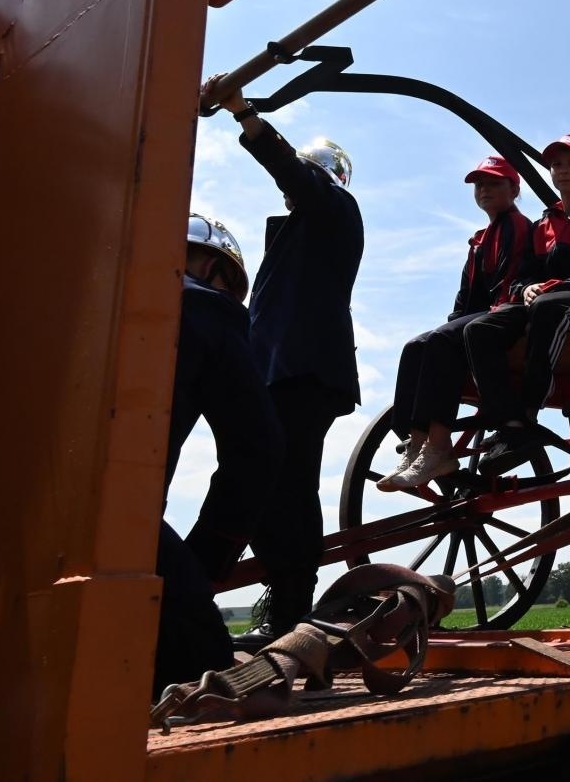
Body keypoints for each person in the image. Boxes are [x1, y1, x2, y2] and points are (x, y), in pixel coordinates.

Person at [206, 75, 365, 638]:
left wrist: (243, 113)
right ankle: (283, 591)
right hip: (274, 374)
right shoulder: (299, 230)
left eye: (306, 175)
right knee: (259, 478)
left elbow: (292, 172)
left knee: (290, 480)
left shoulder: (336, 211)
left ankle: (295, 605)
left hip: (307, 374)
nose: (291, 186)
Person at [157, 213, 282, 694]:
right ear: (215, 270)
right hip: (119, 525)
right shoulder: (209, 308)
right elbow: (257, 449)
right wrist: (202, 564)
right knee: (201, 664)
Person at [464, 135, 570, 476]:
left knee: (548, 309)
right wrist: (525, 289)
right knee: (479, 329)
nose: (563, 171)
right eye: (556, 165)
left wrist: (547, 287)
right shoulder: (545, 223)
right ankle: (503, 419)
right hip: (547, 302)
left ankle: (529, 409)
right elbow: (522, 275)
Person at [380, 156, 531, 490]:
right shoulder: (479, 240)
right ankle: (415, 442)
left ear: (514, 189)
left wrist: (454, 331)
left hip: (509, 314)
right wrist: (451, 326)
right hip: (482, 315)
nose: (484, 190)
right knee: (416, 345)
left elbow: (509, 286)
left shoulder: (517, 227)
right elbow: (464, 300)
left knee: (443, 340)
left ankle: (438, 446)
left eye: (494, 183)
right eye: (480, 185)